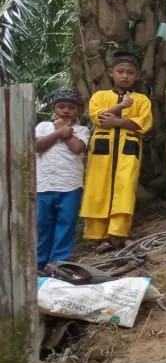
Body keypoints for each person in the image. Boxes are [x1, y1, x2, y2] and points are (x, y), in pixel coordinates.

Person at [80, 51, 154, 251]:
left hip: (128, 149)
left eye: (130, 72)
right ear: (111, 72)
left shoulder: (142, 99)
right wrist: (121, 107)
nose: (125, 76)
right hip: (103, 150)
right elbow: (98, 118)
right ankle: (100, 235)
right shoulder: (100, 96)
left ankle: (118, 234)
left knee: (125, 189)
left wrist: (118, 122)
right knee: (98, 188)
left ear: (136, 76)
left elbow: (144, 123)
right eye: (120, 71)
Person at [35, 90, 90, 270]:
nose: (66, 111)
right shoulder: (43, 127)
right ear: (54, 108)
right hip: (44, 185)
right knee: (43, 225)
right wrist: (59, 131)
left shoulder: (82, 130)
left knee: (66, 224)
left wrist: (66, 133)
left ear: (79, 110)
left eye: (71, 108)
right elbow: (36, 146)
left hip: (70, 186)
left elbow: (77, 148)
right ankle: (39, 263)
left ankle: (59, 264)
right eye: (61, 106)